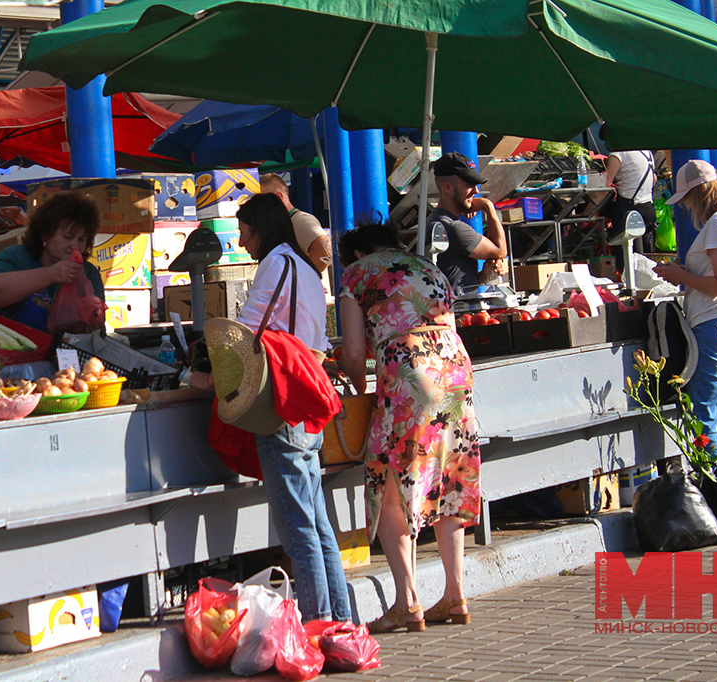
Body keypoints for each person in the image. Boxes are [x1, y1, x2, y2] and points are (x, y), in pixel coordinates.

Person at [191, 193, 352, 623]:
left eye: (244, 234)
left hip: (277, 405)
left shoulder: (275, 264)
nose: (243, 244)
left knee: (299, 533)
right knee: (319, 529)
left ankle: (319, 626)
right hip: (307, 402)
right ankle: (341, 623)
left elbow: (245, 335)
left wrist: (207, 372)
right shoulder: (307, 269)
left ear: (260, 229)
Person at [338, 219, 481, 633]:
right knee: (450, 474)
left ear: (358, 252)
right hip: (455, 369)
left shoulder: (357, 273)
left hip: (409, 374)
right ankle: (455, 595)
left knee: (386, 479)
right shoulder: (429, 268)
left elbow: (352, 352)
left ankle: (407, 602)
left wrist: (357, 379)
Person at [653, 159, 717, 467]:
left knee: (703, 410)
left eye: (686, 199)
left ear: (698, 193)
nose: (685, 207)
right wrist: (687, 272)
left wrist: (680, 276)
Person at [0, 192, 105, 333]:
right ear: (46, 233)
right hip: (3, 348)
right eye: (67, 237)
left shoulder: (89, 273)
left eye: (81, 240)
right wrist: (51, 274)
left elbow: (98, 325)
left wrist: (91, 321)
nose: (75, 246)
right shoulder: (18, 256)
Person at [427, 152, 507, 294]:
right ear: (447, 188)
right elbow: (500, 251)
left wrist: (482, 276)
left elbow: (454, 280)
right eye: (469, 185)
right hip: (455, 312)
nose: (475, 191)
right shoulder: (452, 227)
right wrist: (488, 206)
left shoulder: (436, 219)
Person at [599, 125, 657, 264]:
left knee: (630, 261)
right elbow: (653, 178)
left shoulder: (618, 153)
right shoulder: (646, 151)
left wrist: (588, 211)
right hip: (648, 209)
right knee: (646, 261)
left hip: (629, 211)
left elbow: (606, 185)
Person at [259, 173, 331, 275]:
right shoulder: (286, 223)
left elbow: (324, 250)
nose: (259, 208)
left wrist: (302, 279)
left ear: (279, 197)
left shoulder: (300, 220)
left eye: (262, 202)